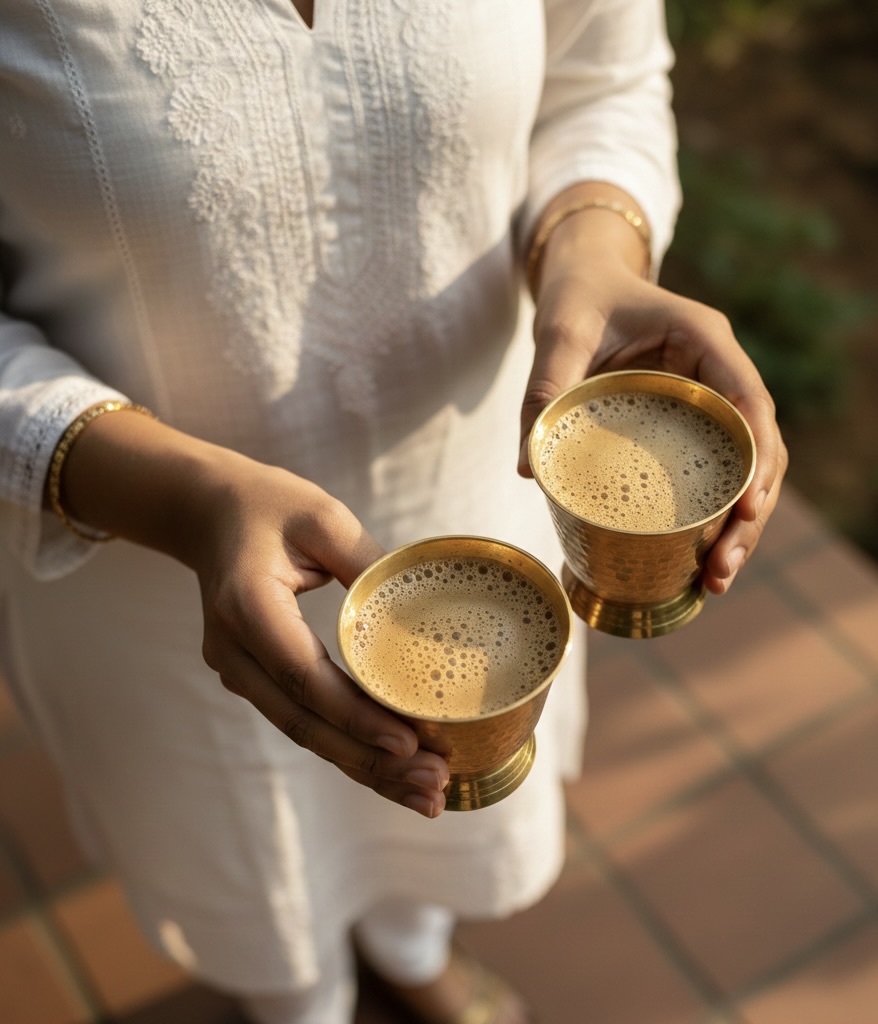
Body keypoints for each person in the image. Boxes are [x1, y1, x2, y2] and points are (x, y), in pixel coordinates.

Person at [0, 1, 786, 1021]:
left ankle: (411, 951)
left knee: (442, 801)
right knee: (255, 856)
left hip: (477, 500)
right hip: (146, 564)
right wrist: (181, 500)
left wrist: (592, 249)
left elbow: (600, 76)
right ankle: (299, 1000)